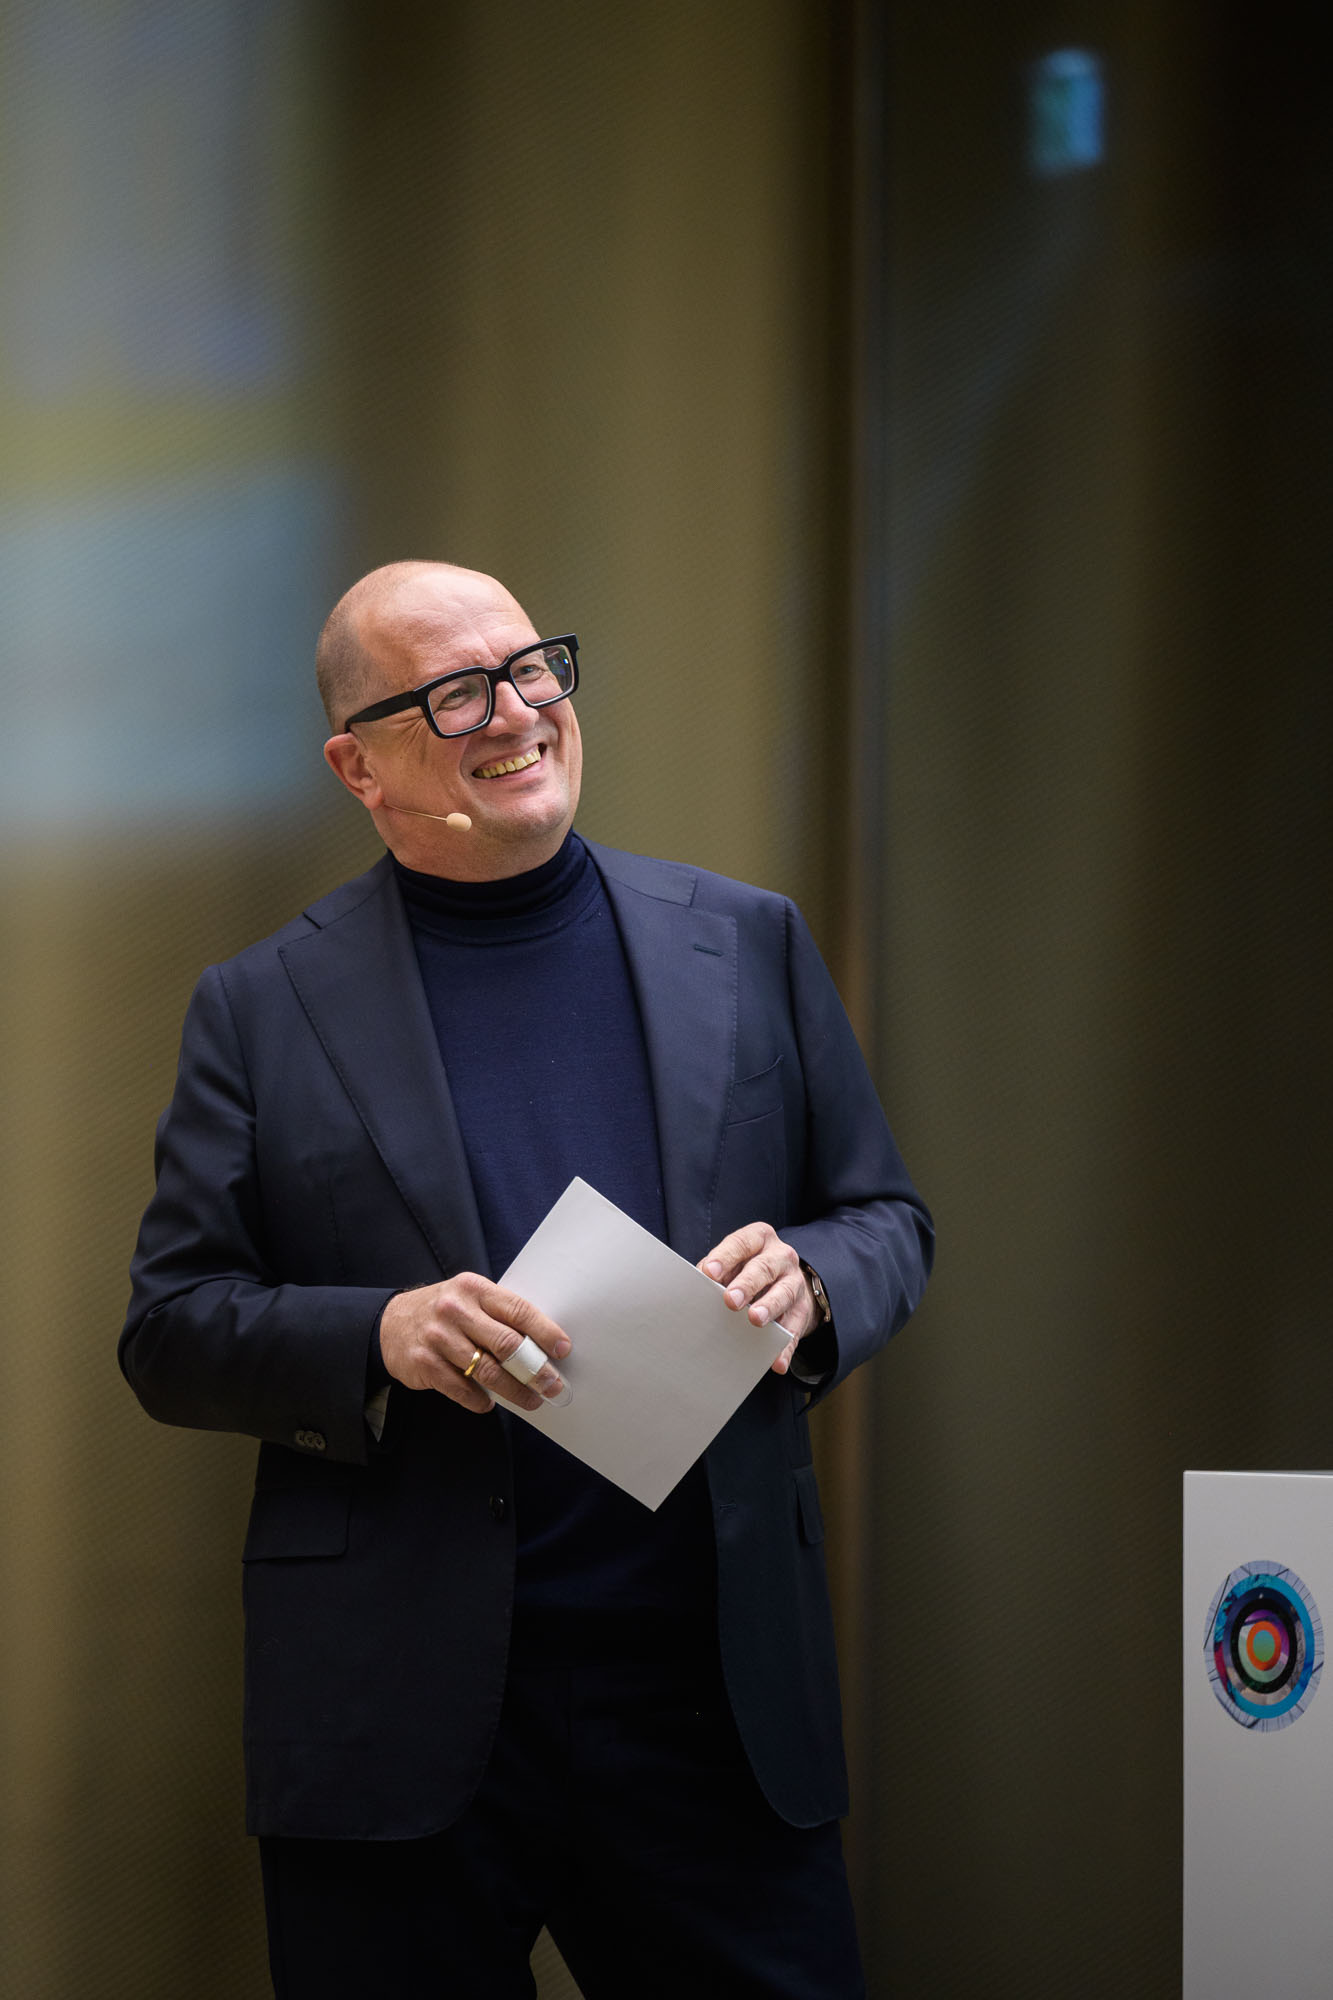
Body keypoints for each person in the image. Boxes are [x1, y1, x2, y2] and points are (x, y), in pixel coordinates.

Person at [120, 561, 933, 1999]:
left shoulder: (746, 940)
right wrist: (380, 1334)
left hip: (711, 1699)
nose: (513, 712)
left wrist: (814, 1277)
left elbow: (885, 1217)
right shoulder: (259, 1006)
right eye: (452, 694)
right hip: (396, 1711)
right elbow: (171, 1327)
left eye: (529, 667)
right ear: (357, 767)